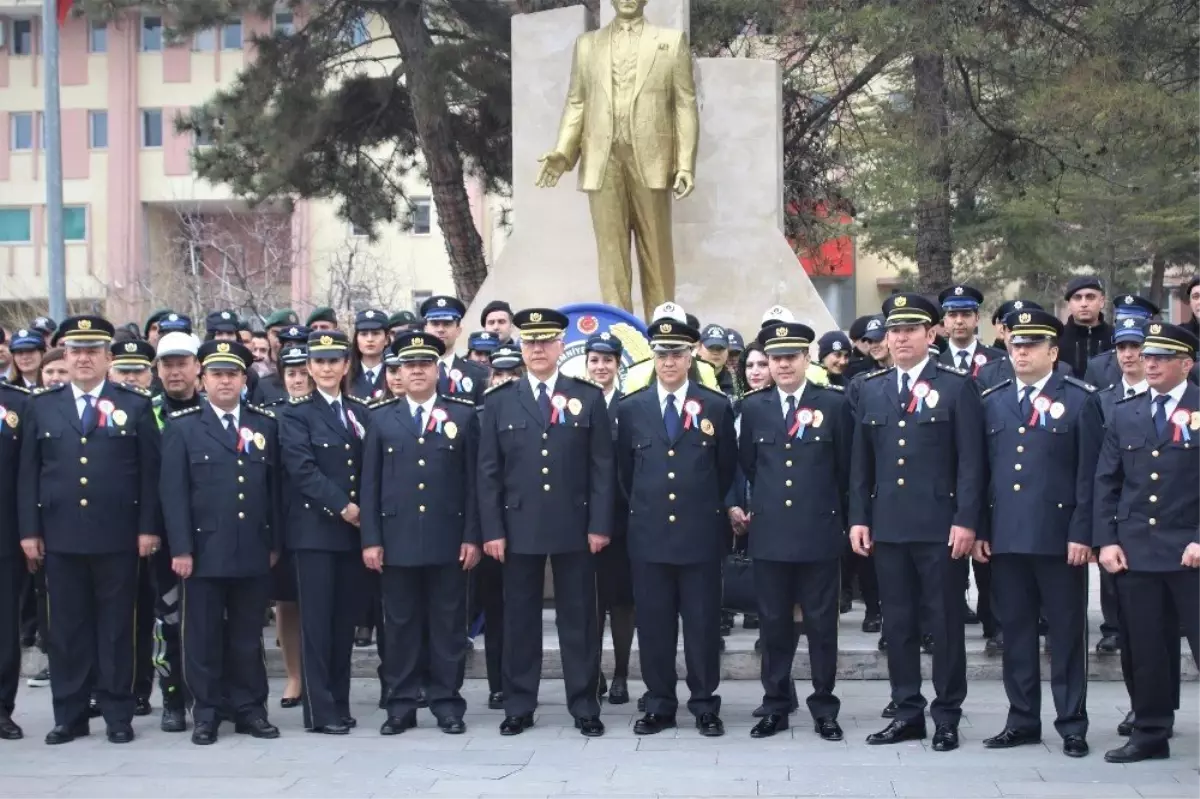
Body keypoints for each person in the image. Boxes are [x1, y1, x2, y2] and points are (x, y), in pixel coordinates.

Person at [848, 293, 985, 752]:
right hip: (888, 526)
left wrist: (967, 520)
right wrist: (858, 519)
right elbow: (860, 466)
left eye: (910, 330)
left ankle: (947, 713)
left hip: (939, 528)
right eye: (894, 330)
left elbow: (971, 462)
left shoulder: (955, 386)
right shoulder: (871, 387)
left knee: (944, 623)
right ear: (884, 339)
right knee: (899, 624)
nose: (901, 337)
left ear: (932, 334)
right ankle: (907, 711)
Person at [18, 315, 161, 745]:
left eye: (92, 351)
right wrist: (30, 530)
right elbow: (29, 474)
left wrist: (147, 528)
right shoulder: (41, 405)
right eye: (76, 350)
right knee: (66, 629)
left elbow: (149, 475)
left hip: (117, 535)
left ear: (107, 357)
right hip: (60, 536)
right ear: (65, 354)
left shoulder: (133, 405)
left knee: (118, 627)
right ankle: (70, 714)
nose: (83, 358)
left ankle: (118, 713)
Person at [477, 308, 613, 737]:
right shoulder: (500, 401)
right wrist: (493, 530)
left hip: (576, 525)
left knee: (580, 620)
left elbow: (602, 469)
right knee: (519, 620)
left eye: (546, 341)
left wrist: (600, 524)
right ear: (520, 347)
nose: (538, 349)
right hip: (517, 528)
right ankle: (518, 704)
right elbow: (488, 472)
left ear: (559, 346)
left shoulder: (587, 397)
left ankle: (584, 705)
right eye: (530, 342)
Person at [974, 308, 1101, 759]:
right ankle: (1022, 719)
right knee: (1016, 633)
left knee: (1066, 635)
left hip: (1059, 538)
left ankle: (1071, 723)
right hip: (1007, 537)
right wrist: (982, 528)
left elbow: (1089, 476)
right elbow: (982, 472)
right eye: (1016, 344)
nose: (1021, 351)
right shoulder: (994, 398)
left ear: (1053, 350)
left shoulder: (1083, 399)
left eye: (1032, 345)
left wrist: (1083, 534)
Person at [535, 0, 699, 319]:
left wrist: (685, 164)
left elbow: (684, 105)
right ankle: (619, 333)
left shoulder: (670, 41)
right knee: (612, 257)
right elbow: (577, 102)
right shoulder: (587, 45)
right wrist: (564, 152)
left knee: (656, 252)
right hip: (602, 158)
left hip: (651, 160)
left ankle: (663, 329)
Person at [616, 315, 737, 738]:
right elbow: (624, 475)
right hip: (649, 538)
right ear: (653, 356)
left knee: (703, 625)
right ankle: (659, 703)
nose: (669, 361)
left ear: (691, 356)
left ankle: (705, 704)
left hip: (700, 536)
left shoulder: (715, 406)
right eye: (662, 353)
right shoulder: (631, 408)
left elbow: (725, 471)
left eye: (678, 353)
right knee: (654, 625)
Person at [160, 340, 282, 746]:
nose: (225, 380)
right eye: (217, 374)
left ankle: (250, 709)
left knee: (248, 637)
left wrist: (274, 541)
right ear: (202, 377)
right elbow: (173, 495)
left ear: (244, 378)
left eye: (232, 373)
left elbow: (274, 490)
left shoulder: (264, 424)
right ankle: (207, 713)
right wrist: (180, 548)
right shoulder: (184, 427)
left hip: (251, 548)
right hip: (202, 552)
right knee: (202, 637)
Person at [361, 331, 480, 735]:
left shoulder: (463, 415)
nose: (416, 371)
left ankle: (447, 704)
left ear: (435, 369)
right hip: (397, 541)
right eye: (408, 366)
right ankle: (401, 705)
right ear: (400, 371)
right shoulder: (380, 418)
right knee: (400, 627)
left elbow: (473, 483)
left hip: (448, 539)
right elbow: (370, 485)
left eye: (423, 365)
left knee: (448, 627)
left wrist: (472, 536)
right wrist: (372, 539)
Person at [738, 322, 850, 742]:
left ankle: (824, 706)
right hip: (770, 534)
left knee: (822, 625)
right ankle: (776, 703)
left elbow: (844, 468)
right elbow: (750, 464)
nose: (783, 364)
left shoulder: (834, 405)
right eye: (776, 357)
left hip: (818, 531)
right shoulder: (753, 407)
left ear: (807, 359)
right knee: (773, 625)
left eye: (791, 356)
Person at [1094, 322, 1200, 765]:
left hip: (1190, 550)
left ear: (1187, 364)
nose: (1148, 362)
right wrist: (1107, 541)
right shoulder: (1126, 411)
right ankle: (1151, 731)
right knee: (1145, 648)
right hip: (1137, 548)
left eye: (1161, 357)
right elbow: (1107, 481)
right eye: (1146, 355)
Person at [279, 330, 371, 735]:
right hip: (316, 532)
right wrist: (345, 507)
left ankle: (340, 701)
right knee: (316, 624)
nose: (327, 368)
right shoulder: (294, 414)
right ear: (310, 368)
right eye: (319, 362)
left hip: (353, 535)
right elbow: (302, 471)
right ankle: (319, 710)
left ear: (346, 365)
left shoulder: (359, 411)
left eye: (334, 361)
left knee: (342, 621)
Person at [147, 332, 205, 733]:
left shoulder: (217, 408)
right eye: (167, 364)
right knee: (167, 620)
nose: (175, 371)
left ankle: (214, 695)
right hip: (163, 537)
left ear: (197, 366)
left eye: (182, 363)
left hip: (211, 533)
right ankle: (172, 699)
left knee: (213, 620)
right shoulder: (143, 411)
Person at [584, 332, 634, 706]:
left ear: (618, 365)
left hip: (620, 519)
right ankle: (593, 672)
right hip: (582, 520)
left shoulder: (629, 407)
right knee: (587, 601)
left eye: (607, 361)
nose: (600, 367)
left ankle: (619, 674)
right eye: (594, 361)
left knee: (620, 601)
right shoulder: (576, 404)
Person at [270, 343, 315, 712]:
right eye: (291, 374)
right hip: (285, 518)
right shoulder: (271, 416)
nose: (298, 380)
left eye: (303, 373)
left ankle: (319, 674)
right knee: (287, 603)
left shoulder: (330, 412)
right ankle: (294, 675)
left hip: (322, 518)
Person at [0, 375, 30, 740]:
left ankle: (2, 707)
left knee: (5, 631)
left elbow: (27, 476)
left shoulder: (17, 404)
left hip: (4, 537)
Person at [420, 296, 488, 404]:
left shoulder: (479, 374)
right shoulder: (414, 372)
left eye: (447, 324)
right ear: (425, 329)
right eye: (435, 323)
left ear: (458, 330)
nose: (441, 329)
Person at [1084, 294, 1159, 390]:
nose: (1127, 354)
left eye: (1135, 346)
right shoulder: (1099, 367)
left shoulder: (1164, 368)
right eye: (1121, 347)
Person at [1059, 276, 1113, 378]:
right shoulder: (1057, 339)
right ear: (1069, 304)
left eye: (1090, 297)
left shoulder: (1115, 338)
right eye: (1077, 298)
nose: (1084, 304)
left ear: (1102, 302)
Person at [349, 310, 389, 400]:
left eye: (375, 333)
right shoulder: (346, 373)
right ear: (356, 338)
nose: (370, 339)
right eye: (364, 334)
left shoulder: (394, 373)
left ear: (386, 339)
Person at [698, 324, 736, 395]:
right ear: (699, 348)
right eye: (711, 348)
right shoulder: (688, 376)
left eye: (720, 348)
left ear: (728, 349)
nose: (715, 352)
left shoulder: (735, 382)